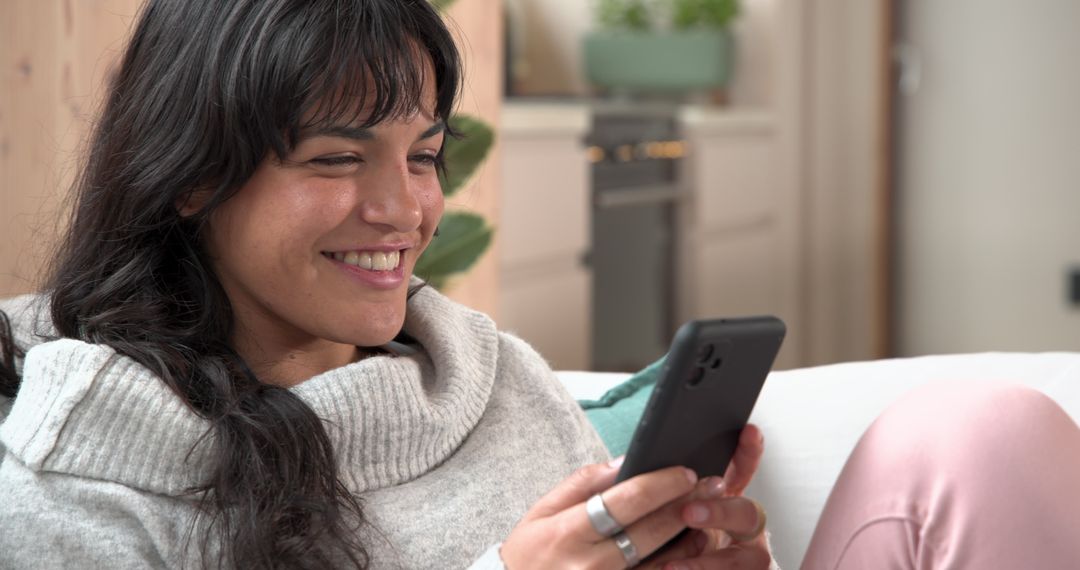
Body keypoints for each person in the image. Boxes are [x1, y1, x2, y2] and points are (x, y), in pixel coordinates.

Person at [0, 1, 772, 568]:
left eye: (424, 156)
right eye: (337, 158)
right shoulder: (74, 490)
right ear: (192, 176)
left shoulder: (497, 377)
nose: (404, 210)